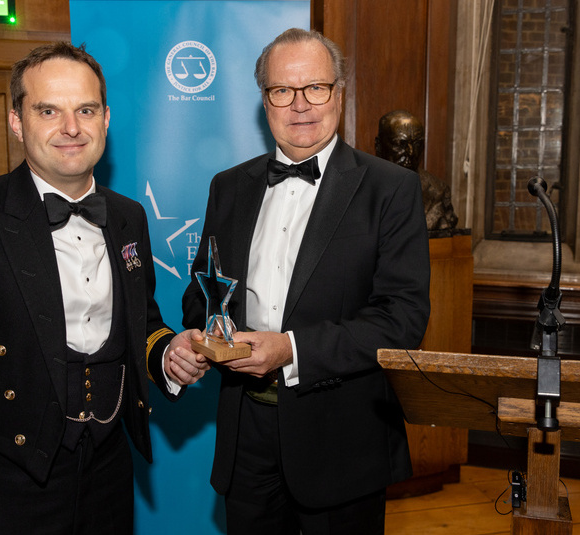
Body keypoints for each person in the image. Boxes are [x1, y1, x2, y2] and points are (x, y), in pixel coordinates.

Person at [0, 42, 209, 535]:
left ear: (106, 118)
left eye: (85, 110)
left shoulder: (129, 217)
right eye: (48, 111)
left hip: (108, 475)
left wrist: (166, 353)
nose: (71, 128)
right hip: (5, 486)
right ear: (17, 122)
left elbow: (140, 324)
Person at [182, 28, 431, 534]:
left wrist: (291, 349)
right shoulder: (228, 187)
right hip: (245, 434)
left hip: (342, 440)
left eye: (315, 87)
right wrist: (204, 338)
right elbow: (202, 294)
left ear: (339, 92)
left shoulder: (391, 189)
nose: (300, 105)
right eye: (282, 91)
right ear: (264, 101)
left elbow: (402, 320)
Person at [375, 109, 458, 232]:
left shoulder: (438, 192)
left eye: (417, 144)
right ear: (379, 146)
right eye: (400, 144)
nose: (411, 152)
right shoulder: (359, 189)